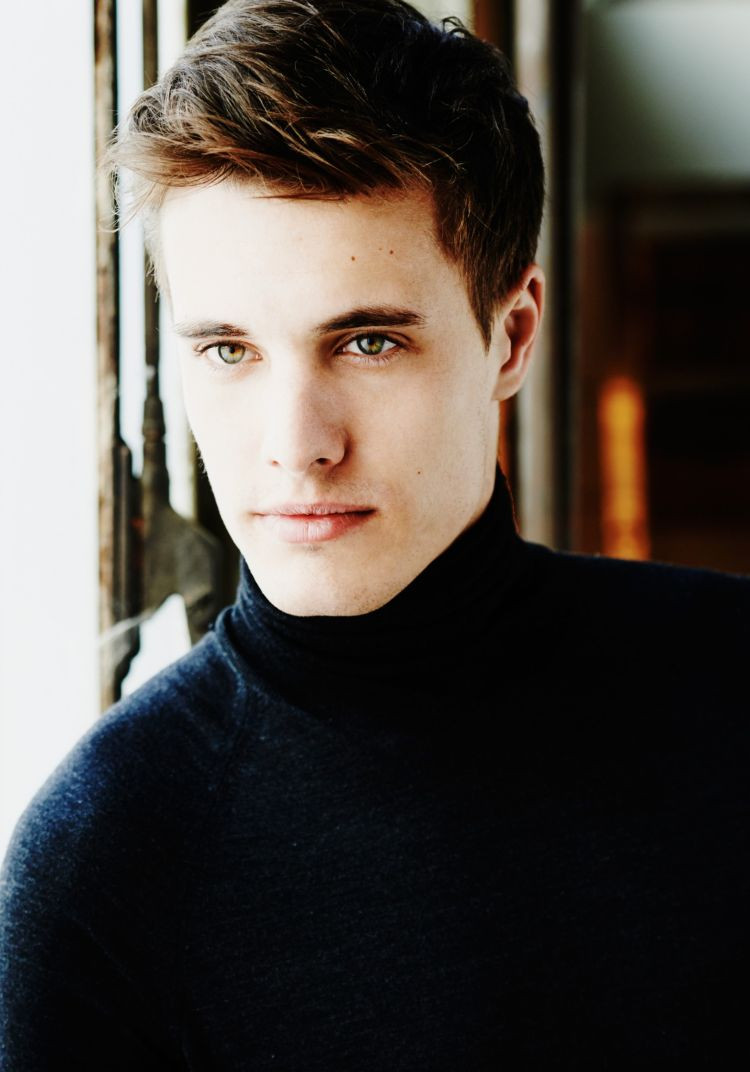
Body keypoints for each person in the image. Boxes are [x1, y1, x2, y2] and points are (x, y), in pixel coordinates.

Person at [1, 0, 748, 1065]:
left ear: (511, 336)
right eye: (228, 351)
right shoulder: (106, 854)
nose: (296, 446)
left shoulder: (727, 681)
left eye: (365, 343)